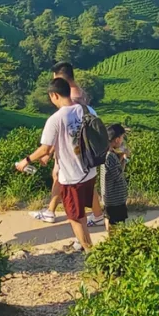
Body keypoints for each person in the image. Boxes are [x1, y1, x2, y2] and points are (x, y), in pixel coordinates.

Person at [16, 78, 96, 252]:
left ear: (54, 95)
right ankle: (83, 244)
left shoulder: (56, 119)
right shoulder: (87, 110)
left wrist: (26, 160)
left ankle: (91, 252)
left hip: (71, 176)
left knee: (75, 217)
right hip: (90, 171)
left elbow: (45, 149)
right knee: (80, 212)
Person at [54, 61, 105, 228]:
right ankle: (97, 215)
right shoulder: (80, 92)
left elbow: (70, 128)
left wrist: (55, 159)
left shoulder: (72, 99)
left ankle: (81, 234)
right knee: (87, 184)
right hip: (85, 151)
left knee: (75, 192)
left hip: (75, 152)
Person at [102, 124, 130, 233]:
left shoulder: (105, 154)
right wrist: (124, 159)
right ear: (117, 139)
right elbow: (118, 175)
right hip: (115, 199)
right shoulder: (110, 157)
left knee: (109, 219)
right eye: (122, 137)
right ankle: (114, 243)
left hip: (109, 198)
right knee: (116, 226)